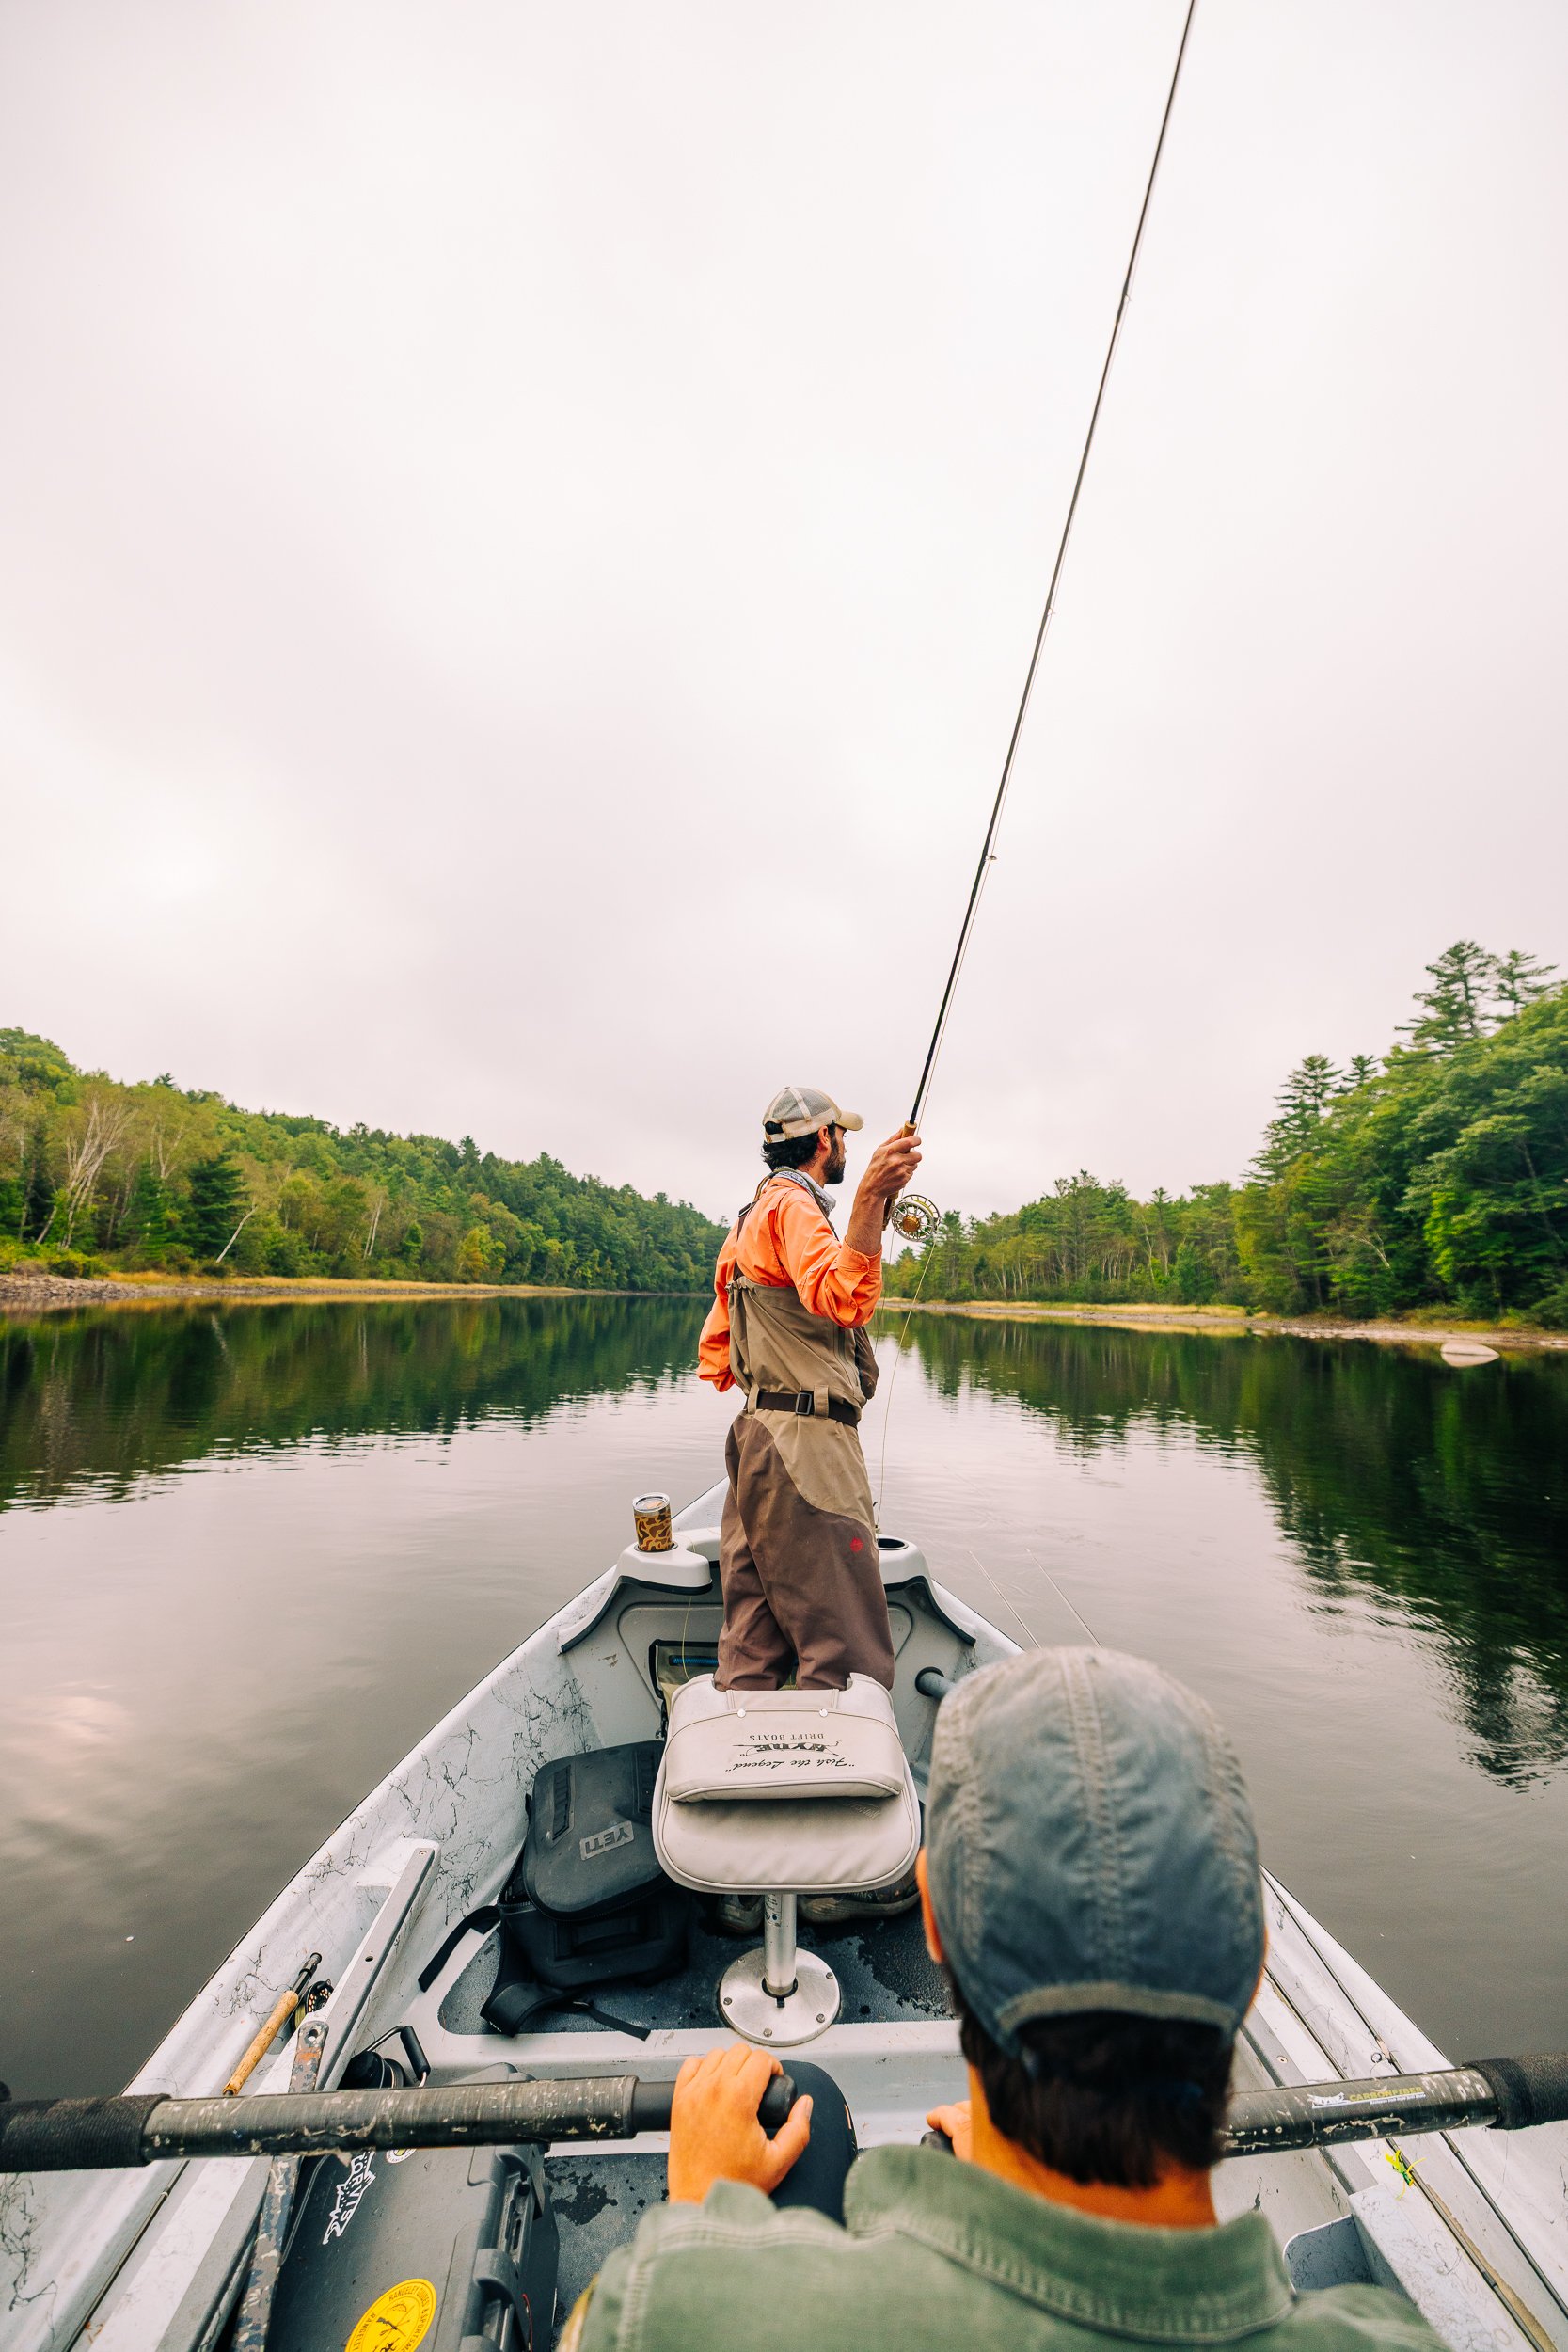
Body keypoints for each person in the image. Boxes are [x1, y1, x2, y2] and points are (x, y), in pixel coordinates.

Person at [563, 1648, 1441, 2352]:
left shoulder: (682, 2314)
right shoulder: (1394, 2338)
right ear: (1252, 1966)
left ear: (934, 1922)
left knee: (809, 2110)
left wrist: (694, 2216)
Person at [698, 1085, 922, 1693]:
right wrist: (873, 1195)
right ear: (824, 1139)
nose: (846, 1146)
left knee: (753, 1641)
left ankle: (738, 1765)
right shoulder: (795, 1207)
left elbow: (718, 1346)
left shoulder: (752, 1215)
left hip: (755, 1439)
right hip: (805, 1446)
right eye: (843, 1135)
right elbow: (843, 1298)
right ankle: (838, 1784)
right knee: (848, 1660)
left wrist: (873, 1209)